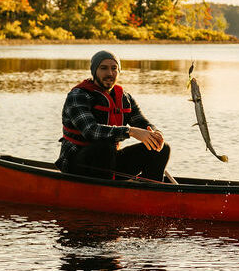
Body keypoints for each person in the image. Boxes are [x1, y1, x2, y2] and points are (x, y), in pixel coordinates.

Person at [56, 50, 171, 181]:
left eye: (114, 68)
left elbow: (141, 122)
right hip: (77, 164)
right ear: (94, 71)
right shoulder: (78, 95)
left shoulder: (124, 97)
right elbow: (91, 131)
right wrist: (130, 131)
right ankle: (107, 194)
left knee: (161, 148)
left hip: (109, 161)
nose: (109, 73)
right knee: (104, 147)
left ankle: (150, 192)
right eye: (103, 68)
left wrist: (155, 133)